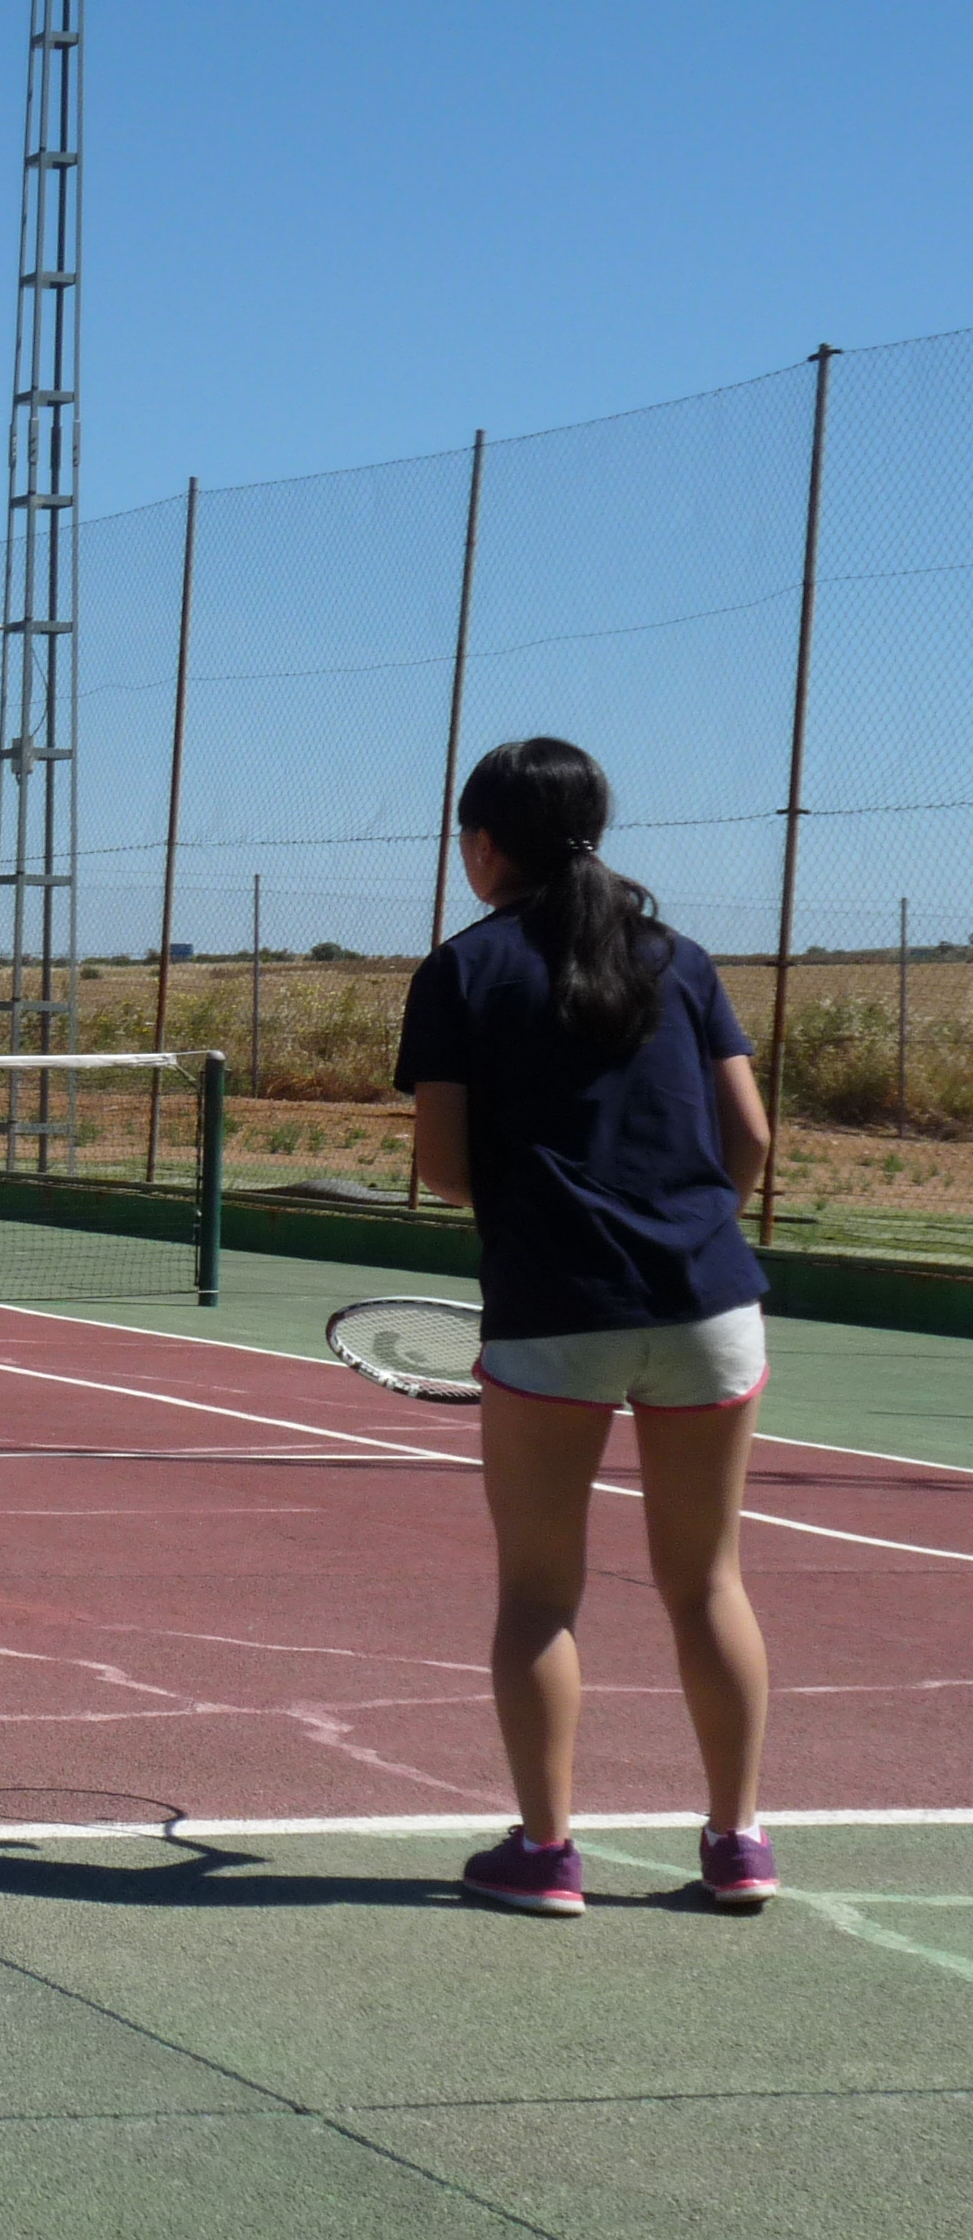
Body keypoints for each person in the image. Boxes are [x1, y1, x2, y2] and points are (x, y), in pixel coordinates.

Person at [396, 737, 778, 1920]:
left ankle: (547, 1853)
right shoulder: (680, 958)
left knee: (539, 1593)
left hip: (553, 1310)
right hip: (710, 1304)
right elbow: (752, 1141)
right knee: (707, 1581)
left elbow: (443, 1166)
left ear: (483, 846)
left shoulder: (462, 970)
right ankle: (738, 1845)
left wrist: (548, 1210)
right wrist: (684, 1224)